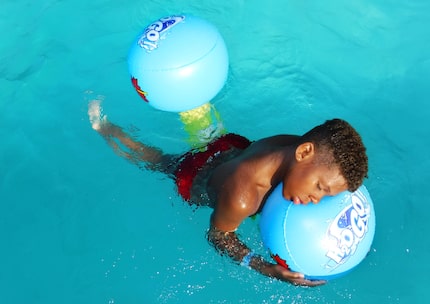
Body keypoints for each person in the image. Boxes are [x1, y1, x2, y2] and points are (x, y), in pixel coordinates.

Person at [88, 99, 368, 287]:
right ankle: (106, 129)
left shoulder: (298, 147)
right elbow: (219, 235)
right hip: (197, 177)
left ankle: (194, 104)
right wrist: (265, 268)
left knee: (209, 135)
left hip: (232, 148)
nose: (317, 200)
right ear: (304, 152)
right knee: (160, 161)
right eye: (320, 188)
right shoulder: (243, 197)